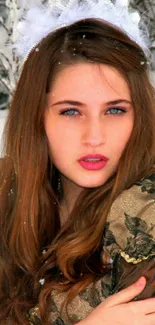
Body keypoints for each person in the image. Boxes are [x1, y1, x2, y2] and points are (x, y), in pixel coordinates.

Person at [0, 0, 155, 324]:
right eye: (71, 111)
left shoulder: (145, 214)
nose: (94, 136)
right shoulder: (6, 196)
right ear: (37, 118)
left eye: (115, 110)